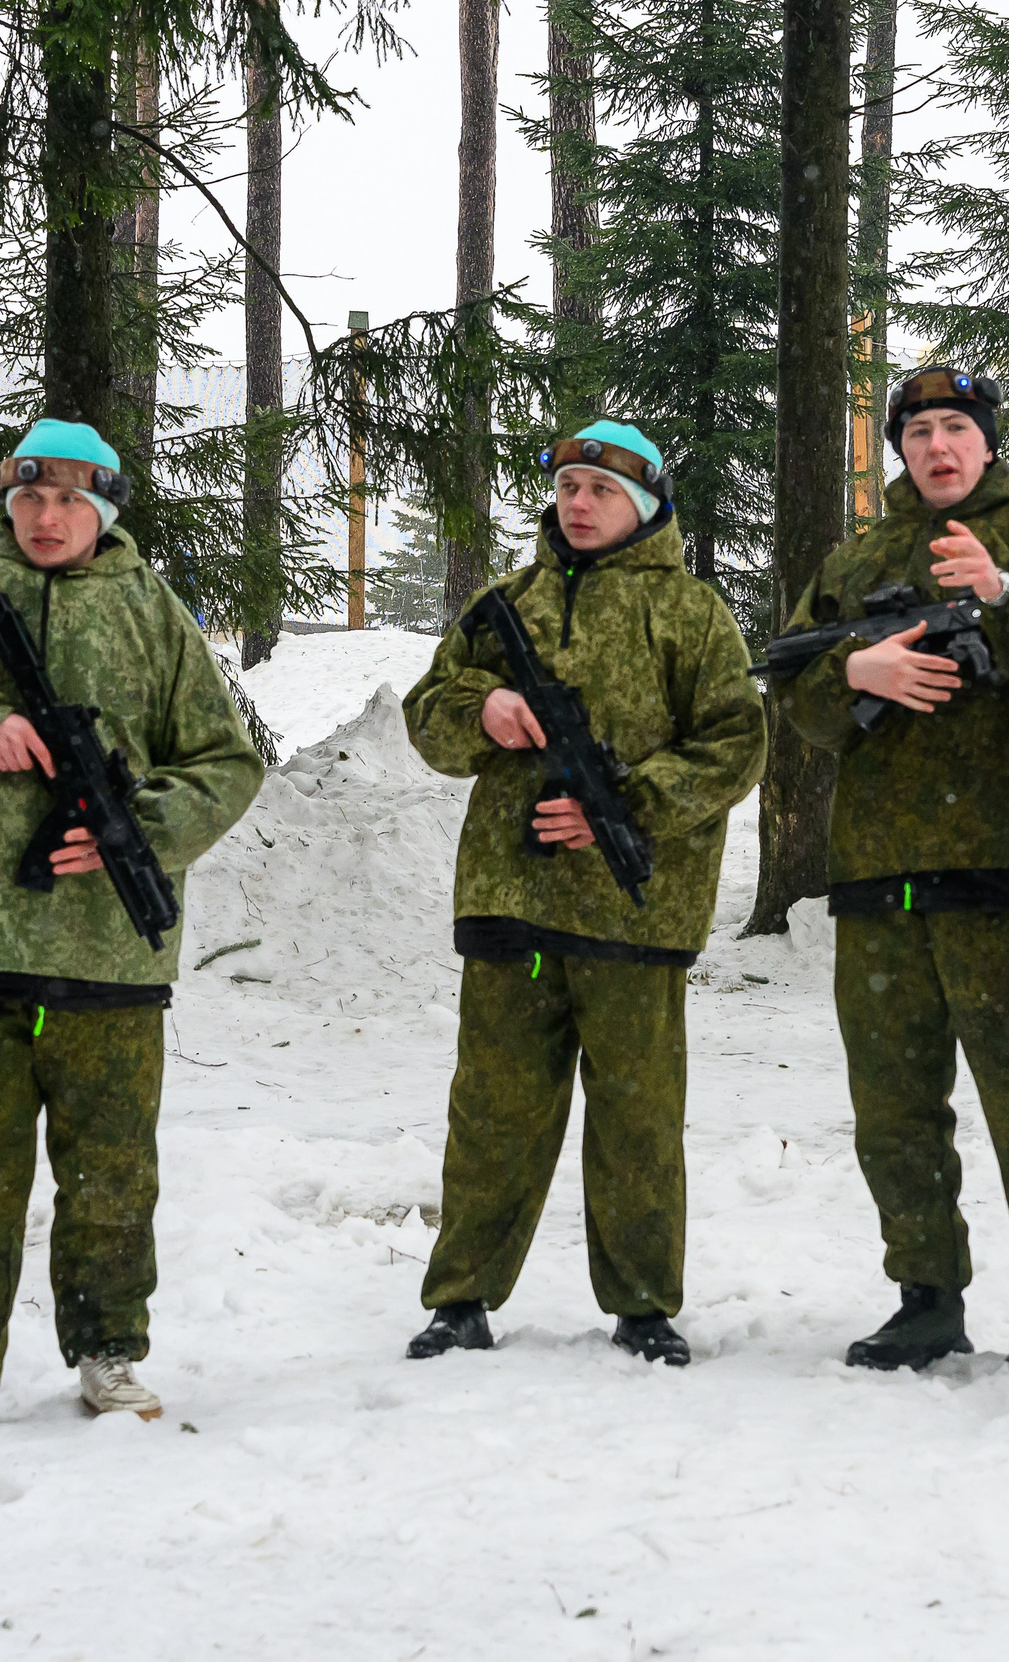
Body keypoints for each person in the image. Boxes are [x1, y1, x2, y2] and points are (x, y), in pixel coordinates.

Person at [0, 419, 265, 1431]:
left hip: (109, 948)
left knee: (112, 1173)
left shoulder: (153, 619)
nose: (45, 518)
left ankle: (109, 1352)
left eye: (69, 500)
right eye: (29, 498)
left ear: (103, 508)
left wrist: (136, 834)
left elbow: (227, 763)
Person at [775, 367, 1009, 1388]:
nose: (936, 446)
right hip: (881, 864)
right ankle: (926, 1299)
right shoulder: (860, 554)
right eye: (918, 430)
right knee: (892, 1100)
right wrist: (850, 675)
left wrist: (1004, 596)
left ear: (986, 443)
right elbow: (791, 685)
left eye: (955, 428)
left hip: (1003, 855)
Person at [399, 423, 766, 1367]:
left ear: (642, 506)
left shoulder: (691, 613)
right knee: (493, 1111)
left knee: (637, 1115)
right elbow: (429, 716)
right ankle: (462, 1297)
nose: (578, 500)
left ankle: (644, 1305)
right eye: (566, 484)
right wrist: (480, 711)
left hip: (635, 912)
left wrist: (627, 811)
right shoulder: (503, 604)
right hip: (510, 899)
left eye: (599, 487)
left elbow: (736, 743)